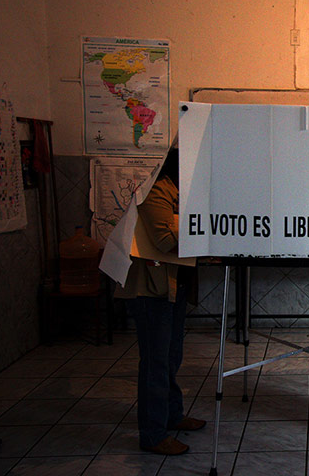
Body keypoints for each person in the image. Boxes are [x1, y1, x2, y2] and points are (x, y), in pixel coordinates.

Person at [115, 146, 204, 455]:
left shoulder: (180, 190)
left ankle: (172, 415)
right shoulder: (156, 190)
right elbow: (165, 240)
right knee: (155, 361)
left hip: (170, 286)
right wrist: (204, 227)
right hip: (149, 289)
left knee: (171, 356)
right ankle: (152, 434)